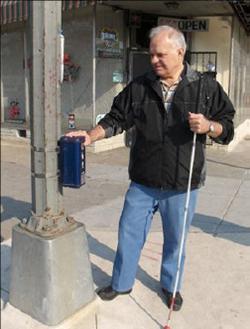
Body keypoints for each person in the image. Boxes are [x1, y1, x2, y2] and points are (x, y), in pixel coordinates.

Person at [66, 25, 235, 311]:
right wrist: (90, 135)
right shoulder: (140, 86)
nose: (154, 60)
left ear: (180, 52)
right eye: (151, 54)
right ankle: (121, 283)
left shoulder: (205, 87)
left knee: (176, 241)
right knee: (129, 233)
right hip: (143, 181)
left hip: (182, 183)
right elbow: (116, 118)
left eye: (161, 54)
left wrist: (210, 126)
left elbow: (227, 126)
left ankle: (171, 286)